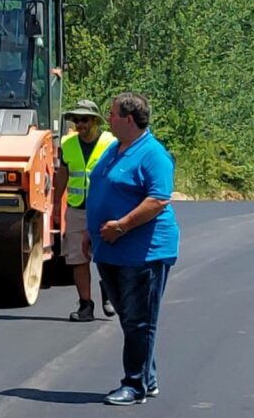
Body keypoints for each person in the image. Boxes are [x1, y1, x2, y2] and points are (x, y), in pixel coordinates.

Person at [86, 92, 180, 405]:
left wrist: (122, 225)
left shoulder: (153, 154)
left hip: (143, 252)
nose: (108, 119)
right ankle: (147, 378)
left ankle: (135, 385)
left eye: (112, 114)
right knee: (130, 319)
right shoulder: (115, 149)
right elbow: (102, 188)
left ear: (129, 119)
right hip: (110, 249)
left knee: (140, 320)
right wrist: (91, 232)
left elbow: (157, 199)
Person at [53, 99, 116, 322]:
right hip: (77, 208)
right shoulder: (68, 144)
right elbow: (63, 174)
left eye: (84, 119)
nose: (80, 124)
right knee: (78, 259)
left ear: (95, 121)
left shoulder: (111, 143)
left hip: (104, 210)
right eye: (76, 119)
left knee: (106, 255)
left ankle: (109, 292)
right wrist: (56, 203)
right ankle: (85, 306)